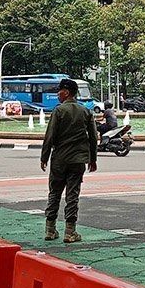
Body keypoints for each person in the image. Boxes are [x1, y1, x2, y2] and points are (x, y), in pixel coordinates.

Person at [40, 78, 97, 244]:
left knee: (54, 193)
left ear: (67, 92)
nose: (57, 93)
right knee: (73, 194)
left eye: (60, 91)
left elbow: (49, 136)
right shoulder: (85, 111)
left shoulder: (59, 111)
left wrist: (44, 157)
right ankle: (70, 232)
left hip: (59, 159)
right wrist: (92, 159)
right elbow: (93, 137)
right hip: (78, 160)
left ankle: (50, 230)